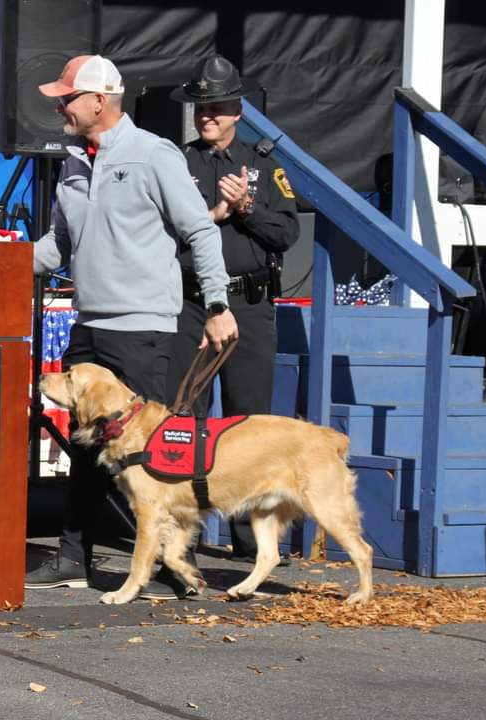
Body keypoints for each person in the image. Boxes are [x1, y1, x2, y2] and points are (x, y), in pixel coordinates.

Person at [27, 55, 239, 599]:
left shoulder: (152, 155)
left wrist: (216, 304)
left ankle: (176, 564)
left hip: (144, 329)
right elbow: (58, 247)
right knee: (83, 449)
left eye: (67, 97)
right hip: (90, 326)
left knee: (158, 450)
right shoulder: (73, 163)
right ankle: (74, 558)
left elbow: (200, 230)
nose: (59, 107)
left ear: (100, 100)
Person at [167, 55, 300, 560]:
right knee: (189, 419)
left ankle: (251, 542)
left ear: (238, 109)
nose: (207, 116)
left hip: (249, 302)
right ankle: (185, 539)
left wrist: (246, 209)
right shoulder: (179, 163)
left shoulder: (265, 163)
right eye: (201, 107)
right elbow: (168, 234)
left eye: (217, 107)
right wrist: (216, 212)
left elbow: (286, 233)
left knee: (250, 426)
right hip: (193, 302)